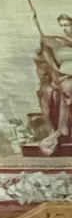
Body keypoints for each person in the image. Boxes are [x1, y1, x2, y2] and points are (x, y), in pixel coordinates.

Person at [36, 13, 72, 156]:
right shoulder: (58, 42)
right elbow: (44, 39)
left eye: (67, 25)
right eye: (62, 26)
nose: (64, 29)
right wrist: (36, 24)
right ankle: (61, 129)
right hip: (64, 77)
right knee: (58, 91)